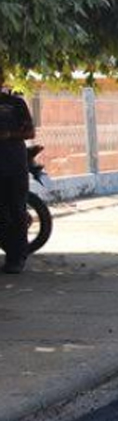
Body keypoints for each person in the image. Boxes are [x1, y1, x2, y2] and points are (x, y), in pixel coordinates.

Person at [0, 65, 35, 274]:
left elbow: (30, 132)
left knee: (17, 212)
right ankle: (12, 252)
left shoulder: (15, 103)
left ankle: (16, 258)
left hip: (14, 166)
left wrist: (9, 135)